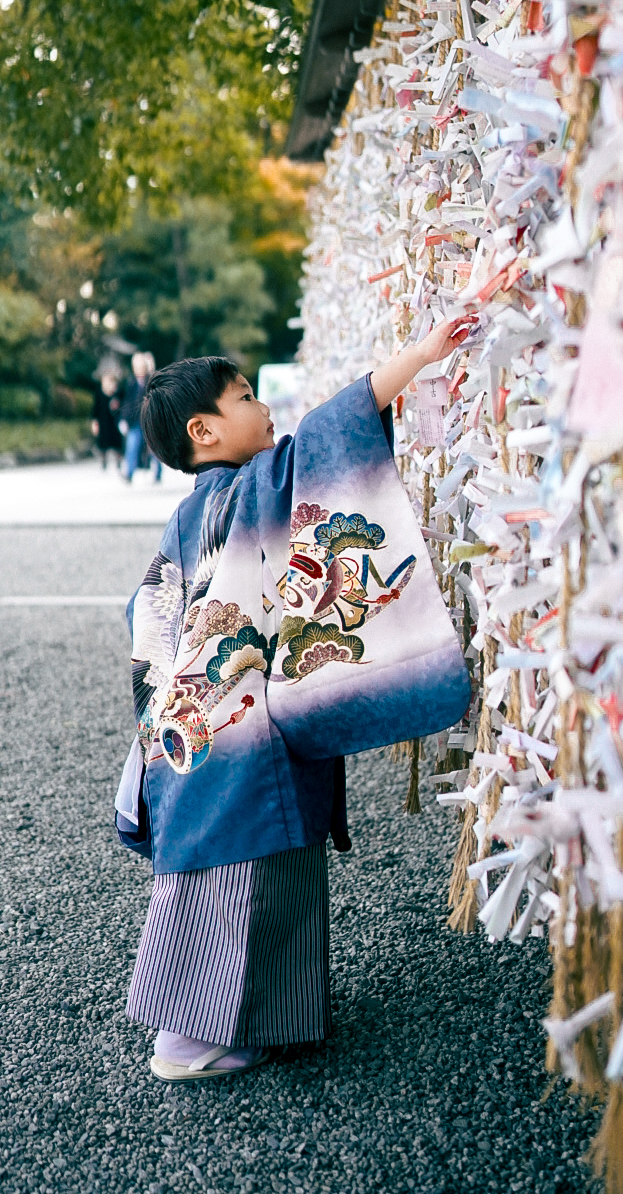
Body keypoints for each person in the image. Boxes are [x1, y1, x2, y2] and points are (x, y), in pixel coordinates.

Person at [116, 315, 474, 1081]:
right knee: (247, 878)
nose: (264, 406)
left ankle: (255, 1023)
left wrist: (157, 711)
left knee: (234, 874)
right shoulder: (253, 489)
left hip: (191, 731)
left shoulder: (189, 515)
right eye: (246, 396)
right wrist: (422, 353)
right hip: (240, 732)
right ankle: (191, 1041)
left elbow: (145, 612)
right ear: (205, 431)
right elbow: (327, 434)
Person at [119, 351, 162, 483]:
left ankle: (157, 472)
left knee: (155, 448)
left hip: (149, 420)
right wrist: (123, 419)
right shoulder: (131, 382)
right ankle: (129, 473)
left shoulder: (152, 380)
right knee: (132, 445)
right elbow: (127, 403)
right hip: (135, 421)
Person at [91, 367, 125, 470]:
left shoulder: (118, 392)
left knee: (116, 442)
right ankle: (103, 460)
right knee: (103, 443)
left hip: (115, 422)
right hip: (103, 422)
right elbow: (95, 409)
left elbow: (123, 406)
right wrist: (94, 422)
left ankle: (118, 459)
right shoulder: (99, 392)